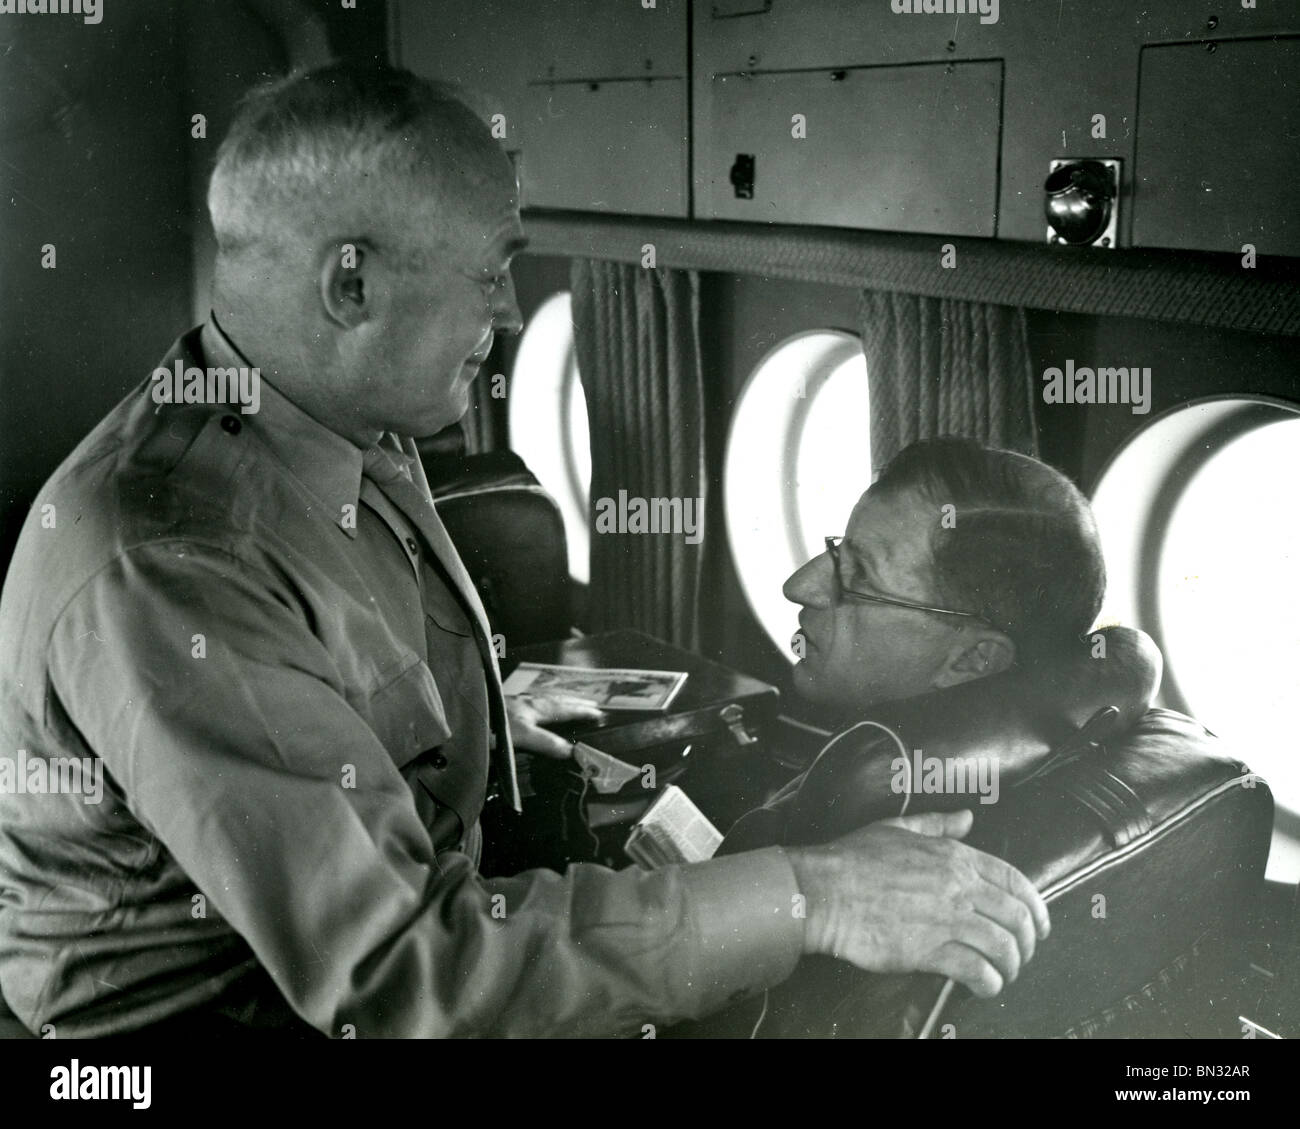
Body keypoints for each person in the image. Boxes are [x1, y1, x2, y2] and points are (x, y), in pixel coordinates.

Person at [0, 63, 1046, 1039]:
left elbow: (345, 692)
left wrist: (488, 746)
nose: (507, 310)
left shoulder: (349, 426)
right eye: (493, 271)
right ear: (351, 287)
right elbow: (407, 970)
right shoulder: (176, 559)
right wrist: (812, 893)